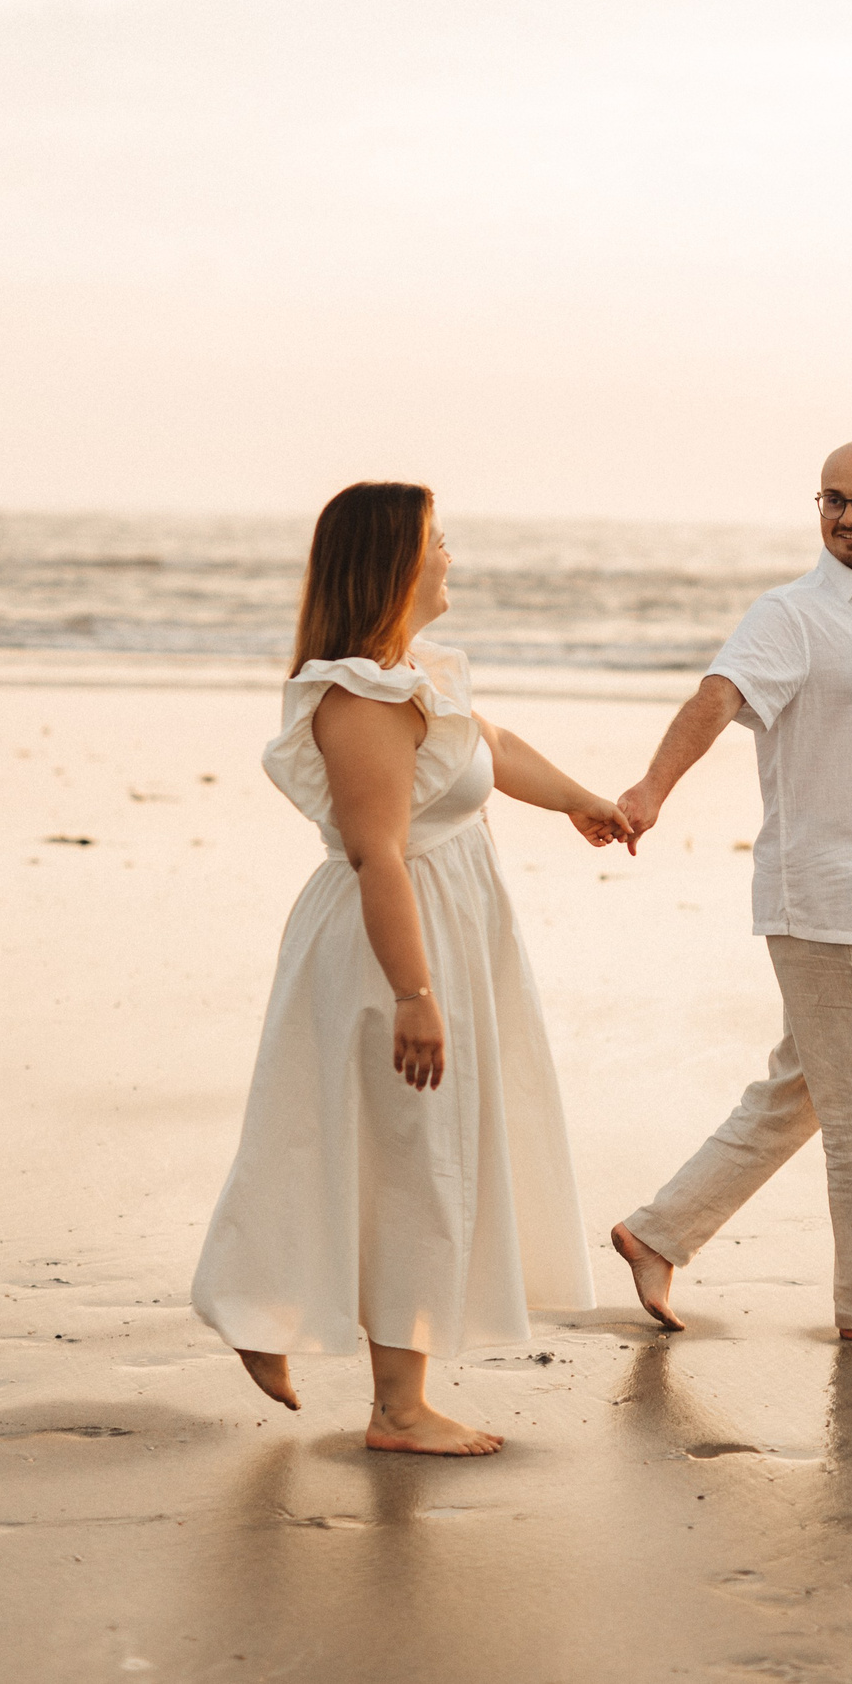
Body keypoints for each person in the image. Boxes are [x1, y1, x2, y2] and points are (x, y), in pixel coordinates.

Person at [192, 481, 630, 1454]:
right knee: (412, 1156)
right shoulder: (359, 698)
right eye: (435, 540)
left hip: (443, 933)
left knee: (395, 1146)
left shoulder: (416, 674)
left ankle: (261, 1305)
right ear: (393, 562)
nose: (449, 554)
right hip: (391, 947)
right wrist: (414, 994)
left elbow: (492, 747)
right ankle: (394, 1406)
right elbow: (377, 854)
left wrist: (580, 800)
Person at [611, 440, 852, 1350]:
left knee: (806, 1089)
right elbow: (717, 696)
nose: (848, 516)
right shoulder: (793, 614)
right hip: (824, 893)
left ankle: (658, 1233)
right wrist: (652, 788)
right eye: (832, 499)